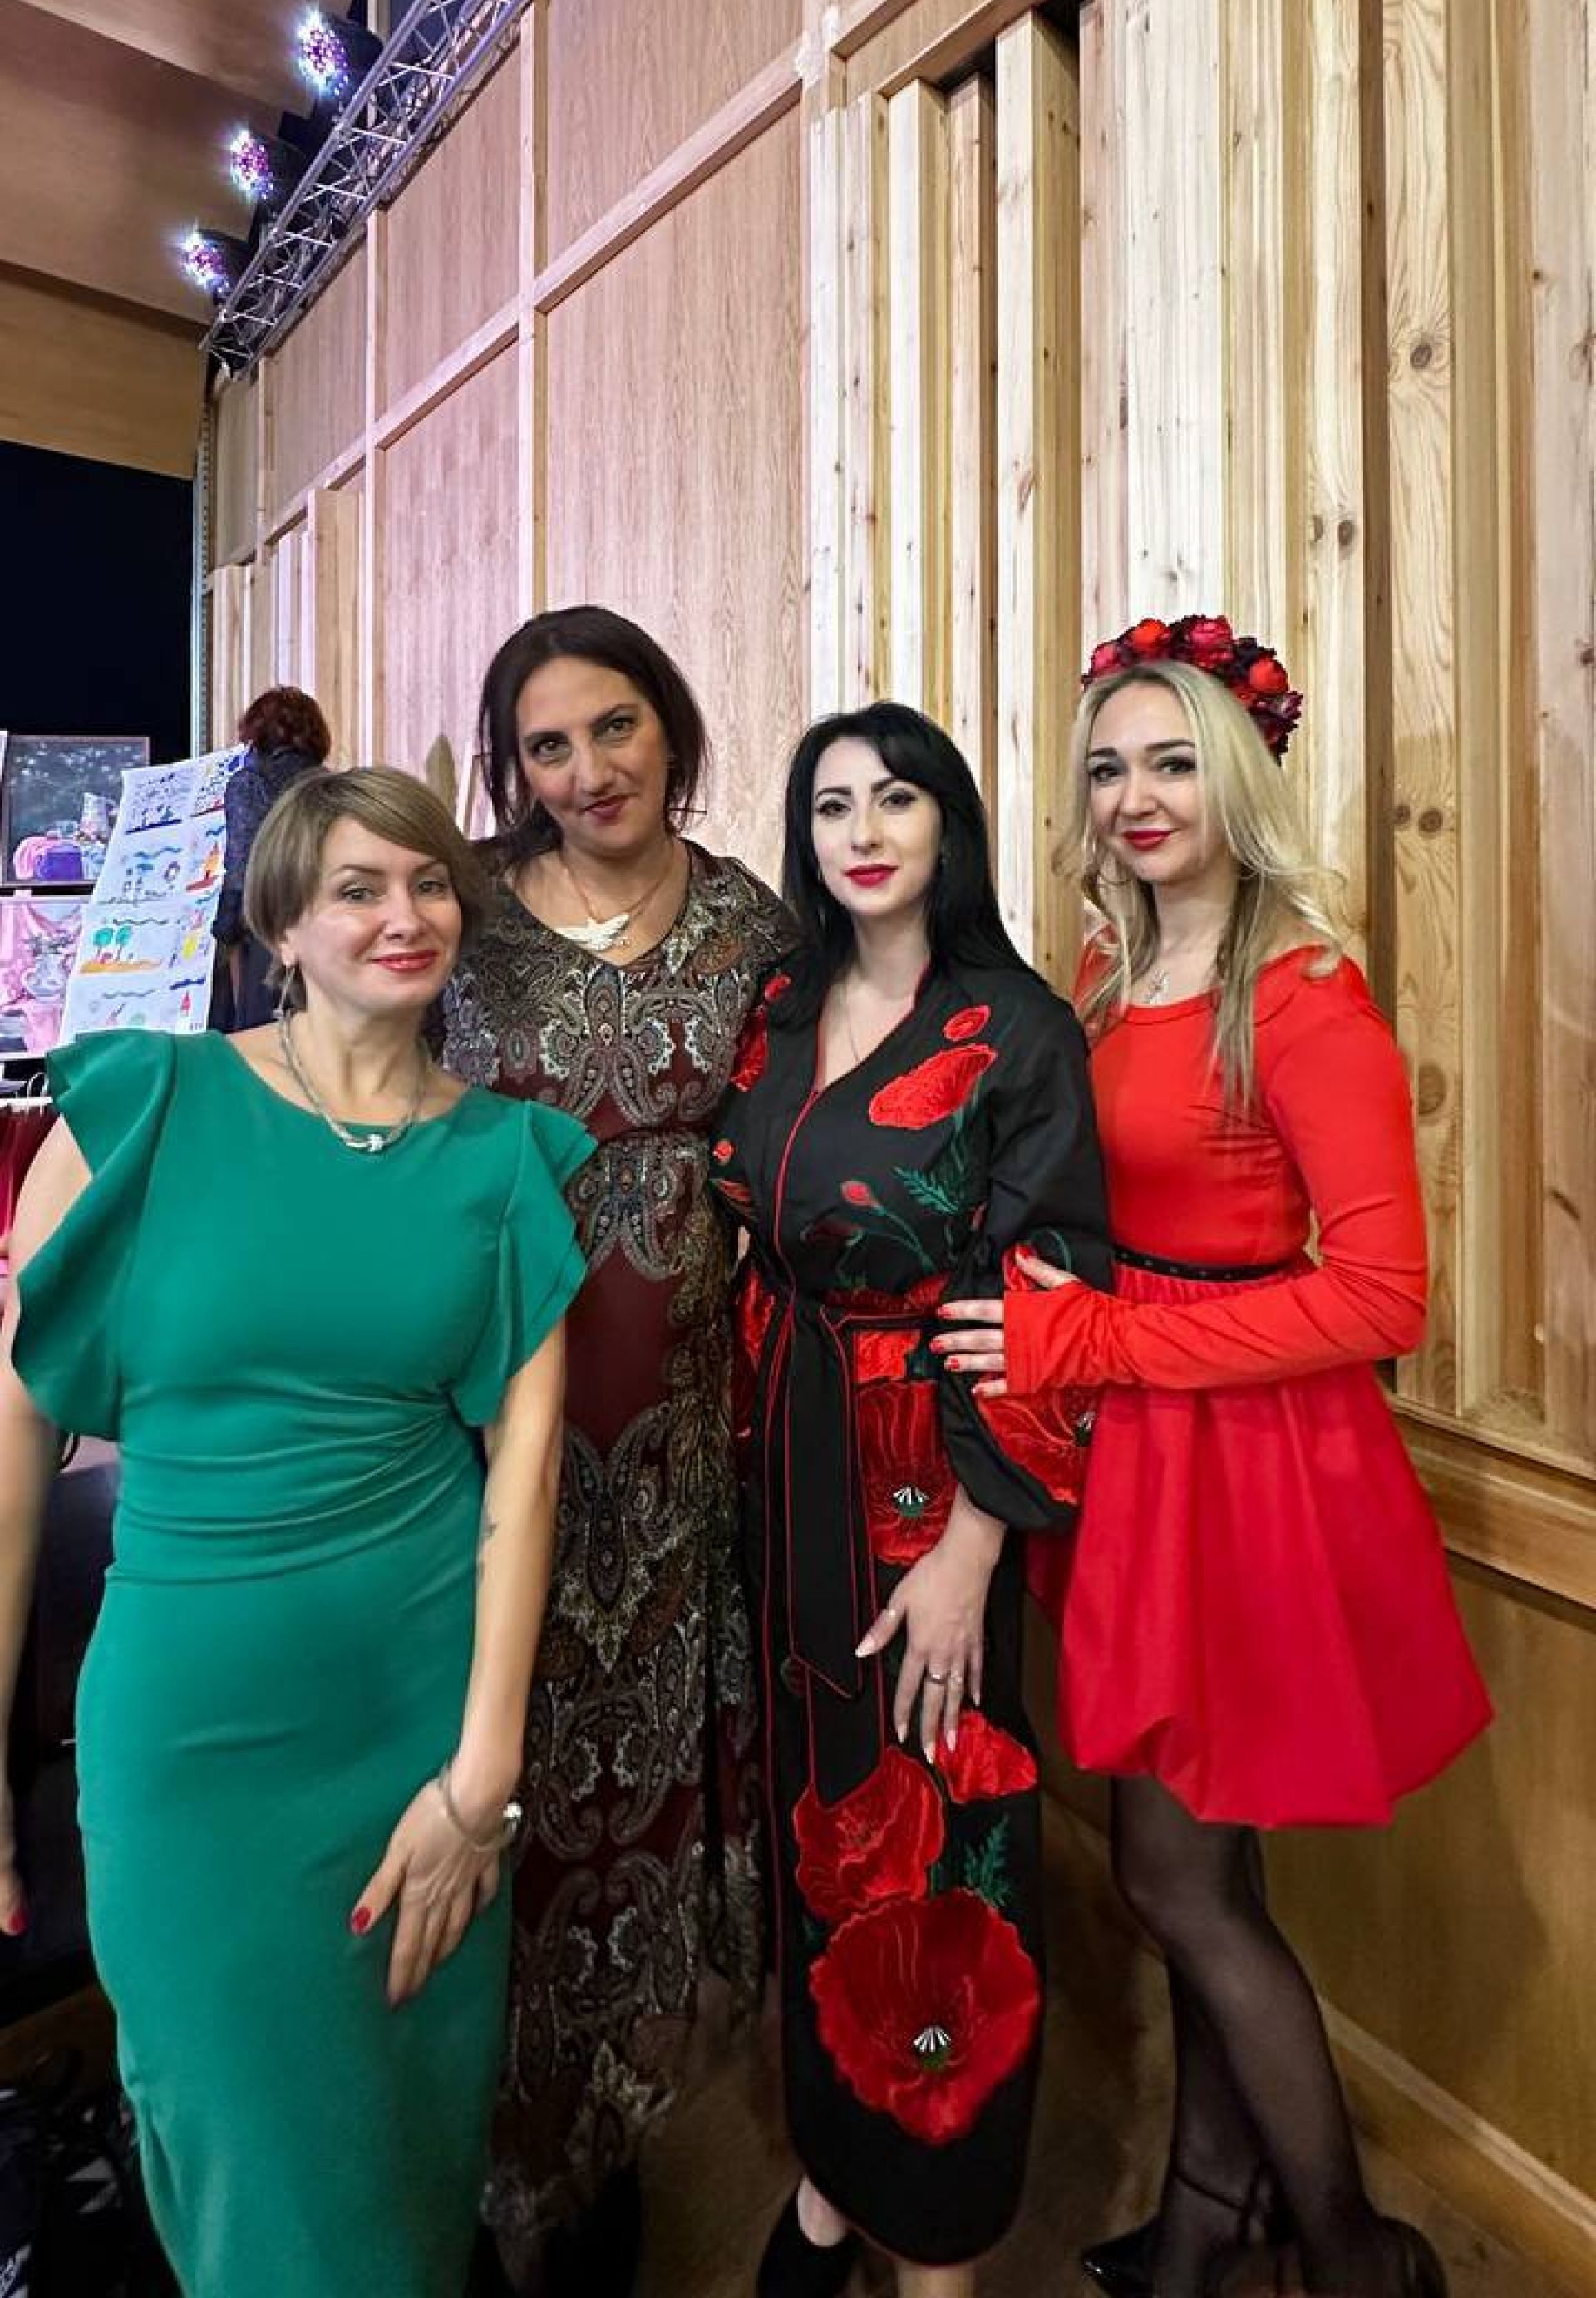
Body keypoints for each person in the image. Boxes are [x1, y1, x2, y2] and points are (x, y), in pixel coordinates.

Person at [937, 614, 1491, 2298]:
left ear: (1238, 776)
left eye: (1174, 760)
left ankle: (1351, 2247)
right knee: (1205, 1861)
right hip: (1144, 1454)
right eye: (1110, 766)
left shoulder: (1302, 993)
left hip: (1253, 1463)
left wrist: (1096, 1342)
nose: (1138, 795)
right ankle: (1206, 2213)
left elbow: (1382, 1291)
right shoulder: (1109, 975)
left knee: (1176, 1874)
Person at [0, 765, 590, 2298]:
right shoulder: (140, 1110)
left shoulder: (507, 1160)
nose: (407, 915)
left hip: (419, 1737)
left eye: (430, 882)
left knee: (401, 2166)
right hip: (191, 1756)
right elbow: (13, 1446)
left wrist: (481, 1781)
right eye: (358, 888)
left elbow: (525, 1479)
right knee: (247, 2175)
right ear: (279, 927)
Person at [710, 702, 1112, 2298]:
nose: (862, 831)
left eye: (896, 798)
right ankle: (831, 2173)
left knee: (942, 1845)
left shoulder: (1016, 1029)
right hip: (786, 1465)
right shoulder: (781, 1004)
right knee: (817, 1822)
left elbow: (1047, 1290)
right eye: (830, 805)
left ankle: (938, 2229)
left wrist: (972, 1545)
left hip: (926, 1492)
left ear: (950, 822)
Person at [440, 606, 791, 2296]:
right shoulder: (460, 913)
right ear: (509, 762)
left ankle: (606, 2142)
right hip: (479, 1426)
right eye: (549, 743)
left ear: (673, 724)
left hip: (682, 1451)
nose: (588, 769)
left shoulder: (752, 921)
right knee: (486, 1771)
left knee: (640, 1790)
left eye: (617, 725)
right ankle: (478, 2155)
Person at [212, 684, 332, 1028]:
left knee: (263, 1034)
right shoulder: (331, 784)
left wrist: (225, 929)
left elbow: (242, 867)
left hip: (267, 926)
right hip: (324, 922)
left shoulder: (250, 782)